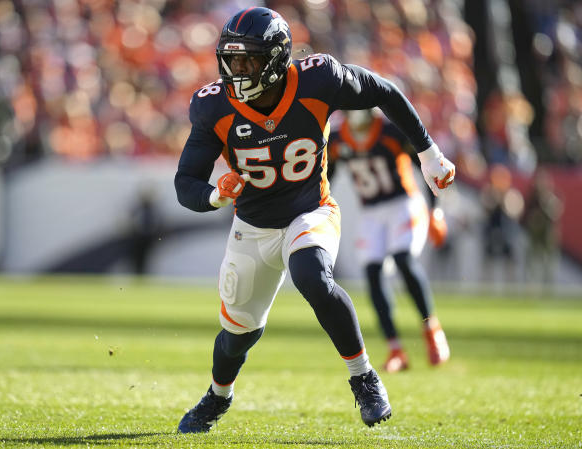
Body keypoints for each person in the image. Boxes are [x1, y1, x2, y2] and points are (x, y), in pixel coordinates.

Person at [174, 7, 455, 433]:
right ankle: (217, 397)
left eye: (248, 60)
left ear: (275, 59)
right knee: (237, 337)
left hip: (310, 210)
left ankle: (364, 377)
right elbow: (185, 182)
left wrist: (428, 152)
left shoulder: (318, 80)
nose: (238, 70)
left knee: (312, 276)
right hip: (251, 227)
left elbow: (384, 91)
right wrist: (215, 195)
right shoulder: (213, 107)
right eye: (232, 60)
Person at [328, 109, 451, 373]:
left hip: (403, 204)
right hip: (371, 212)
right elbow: (327, 176)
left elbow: (428, 165)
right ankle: (395, 349)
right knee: (372, 272)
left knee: (403, 259)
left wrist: (435, 211)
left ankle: (432, 328)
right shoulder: (338, 138)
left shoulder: (391, 131)